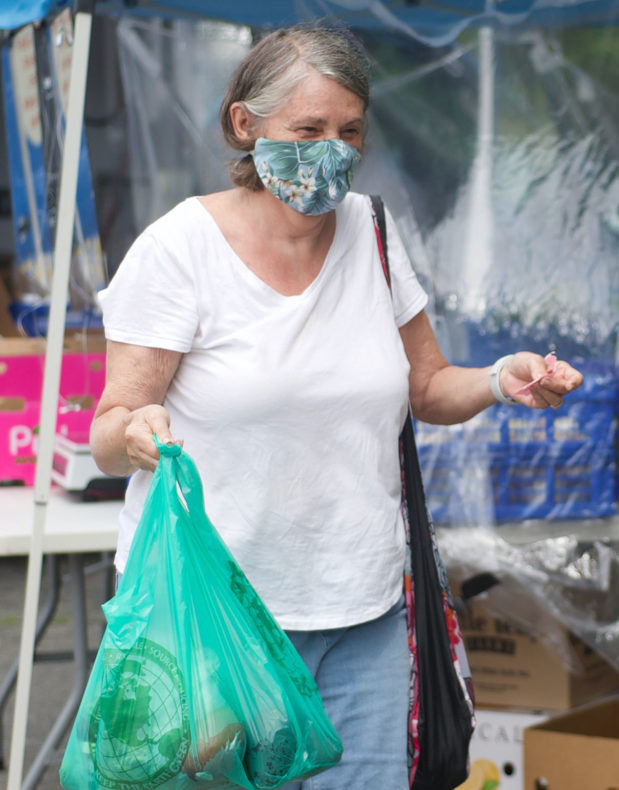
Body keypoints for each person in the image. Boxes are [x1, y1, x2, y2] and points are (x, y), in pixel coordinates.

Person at [90, 21, 583, 790]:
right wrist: (140, 430)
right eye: (308, 129)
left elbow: (426, 387)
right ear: (244, 124)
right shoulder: (179, 249)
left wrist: (499, 378)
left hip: (364, 613)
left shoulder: (373, 232)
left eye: (349, 131)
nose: (331, 151)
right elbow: (107, 431)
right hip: (216, 623)